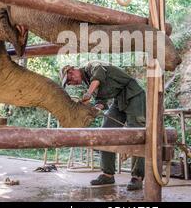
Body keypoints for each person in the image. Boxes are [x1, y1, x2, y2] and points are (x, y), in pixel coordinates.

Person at [60, 61, 146, 191]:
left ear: (72, 71)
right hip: (118, 100)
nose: (71, 83)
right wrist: (93, 110)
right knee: (105, 133)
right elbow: (101, 102)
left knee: (137, 134)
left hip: (133, 94)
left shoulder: (91, 65)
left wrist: (88, 94)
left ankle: (137, 177)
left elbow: (98, 75)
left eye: (70, 80)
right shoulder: (89, 83)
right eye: (69, 83)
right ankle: (107, 174)